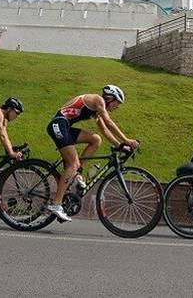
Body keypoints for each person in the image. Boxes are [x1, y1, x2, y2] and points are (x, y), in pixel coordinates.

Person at [45, 85, 138, 222]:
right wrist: (127, 140)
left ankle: (76, 173)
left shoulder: (96, 109)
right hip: (58, 125)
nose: (117, 107)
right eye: (117, 103)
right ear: (110, 98)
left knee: (96, 139)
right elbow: (109, 122)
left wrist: (119, 146)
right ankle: (56, 204)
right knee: (72, 164)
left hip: (65, 126)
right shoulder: (98, 100)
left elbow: (104, 130)